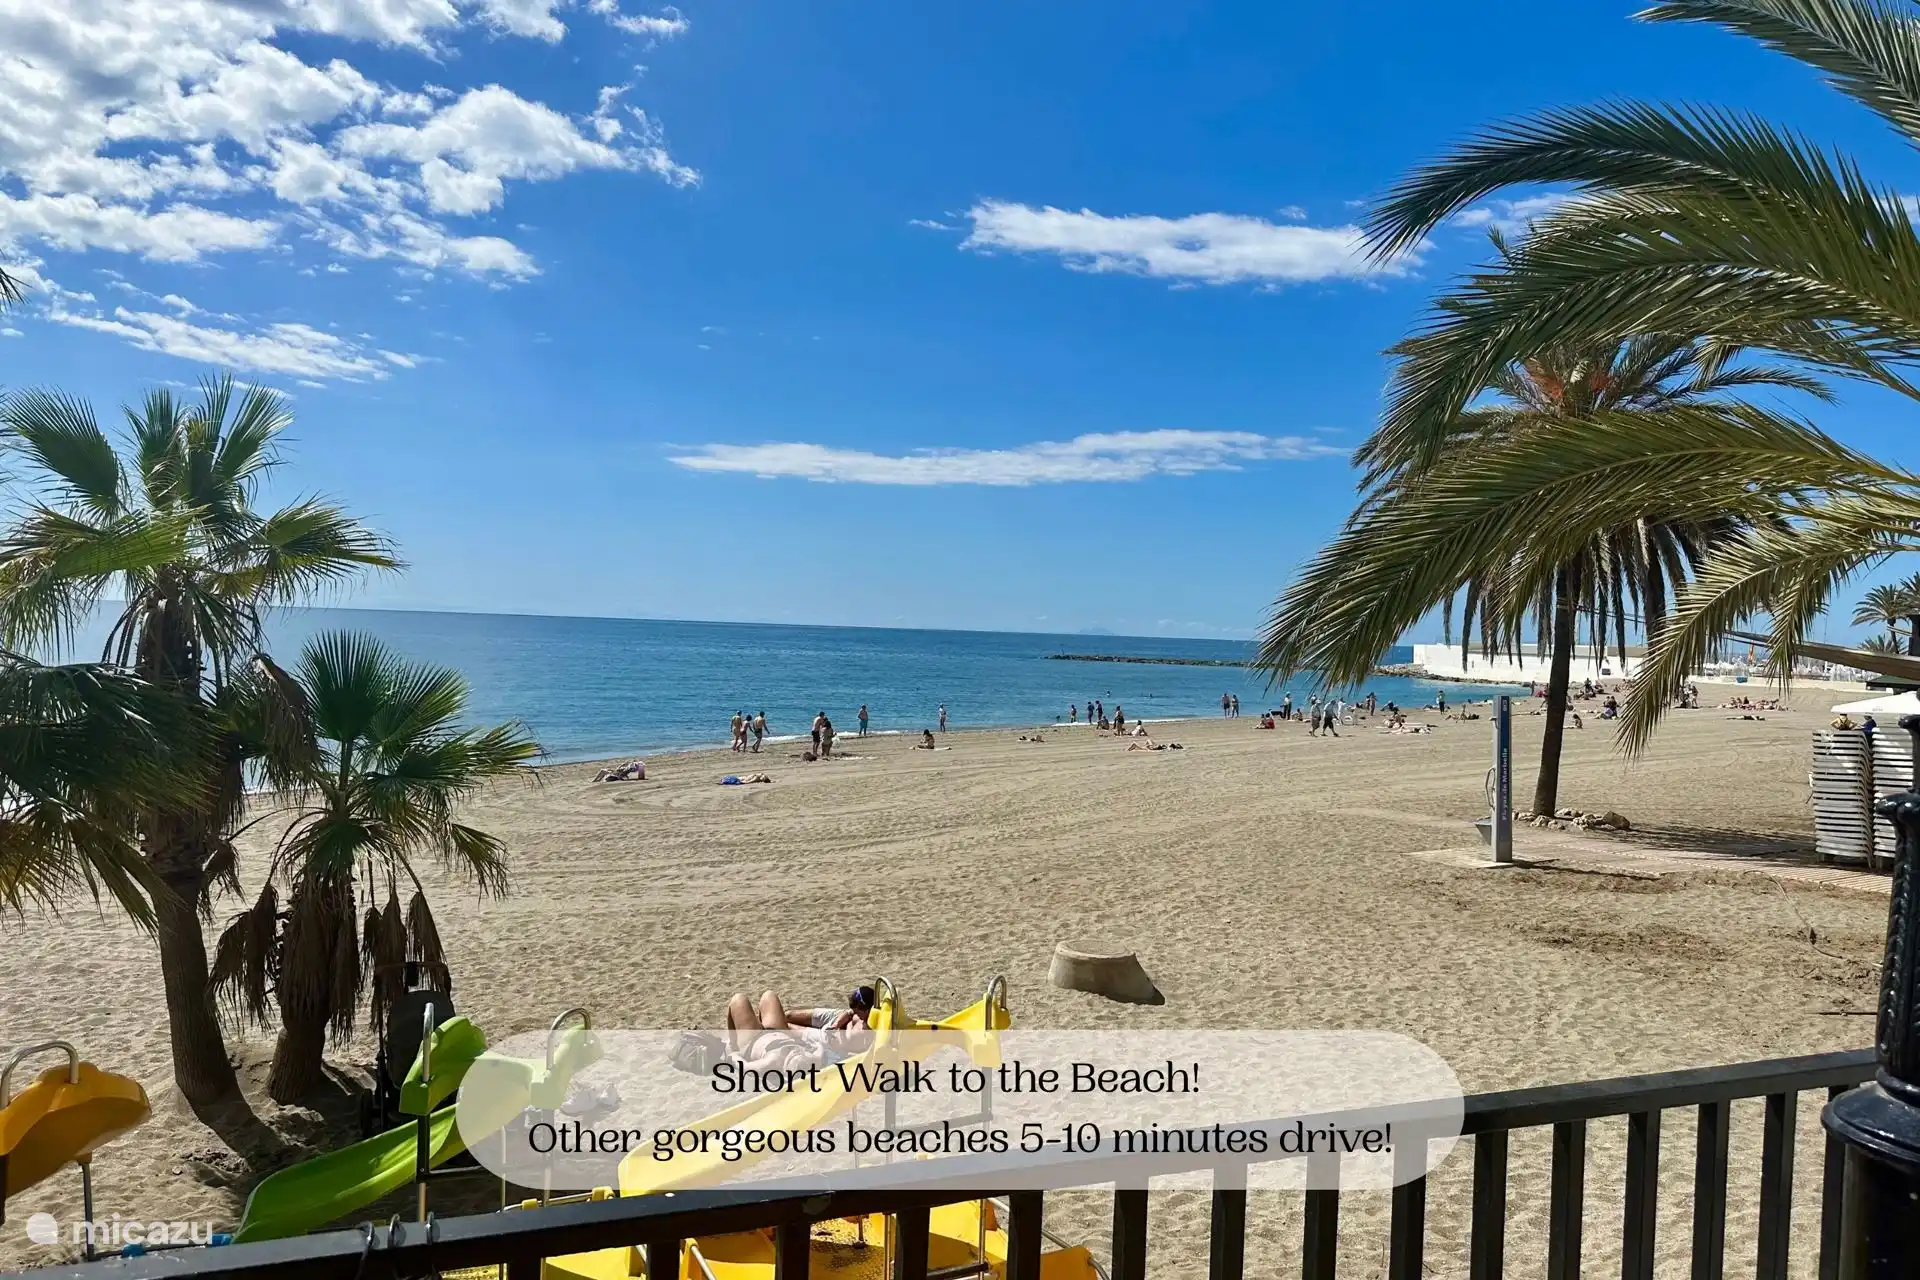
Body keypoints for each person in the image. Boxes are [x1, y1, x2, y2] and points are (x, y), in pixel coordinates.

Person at [725, 986, 877, 1069]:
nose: (795, 1055)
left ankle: (734, 1042)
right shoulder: (814, 1058)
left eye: (793, 1058)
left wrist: (733, 1054)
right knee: (769, 995)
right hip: (779, 1032)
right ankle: (759, 1025)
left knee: (738, 1000)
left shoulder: (772, 1060)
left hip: (754, 1041)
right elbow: (820, 1049)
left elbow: (743, 1066)